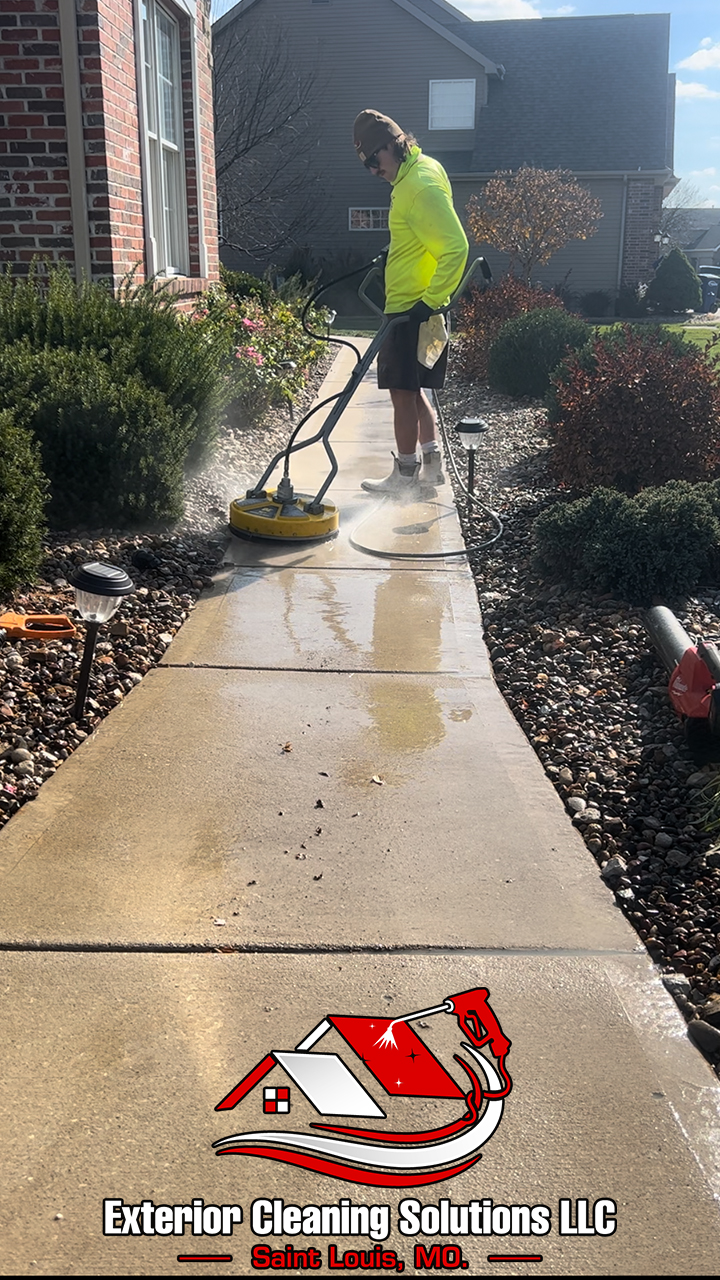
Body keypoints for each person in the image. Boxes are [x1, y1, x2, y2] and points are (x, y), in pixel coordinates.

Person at [353, 109, 469, 496]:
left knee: (401, 395)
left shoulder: (418, 185)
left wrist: (429, 302)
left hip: (411, 310)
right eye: (367, 165)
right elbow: (425, 232)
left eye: (374, 160)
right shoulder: (421, 171)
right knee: (414, 389)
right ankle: (432, 468)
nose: (372, 171)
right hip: (414, 306)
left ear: (393, 144)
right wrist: (396, 249)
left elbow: (456, 247)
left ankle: (404, 478)